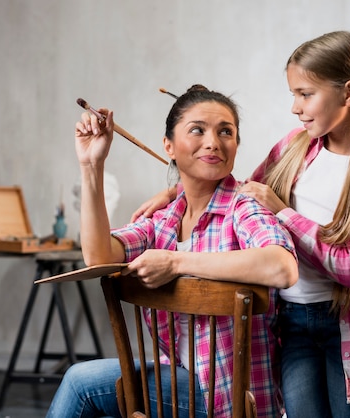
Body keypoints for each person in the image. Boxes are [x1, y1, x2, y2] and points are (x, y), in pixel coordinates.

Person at [132, 31, 350, 418]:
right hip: (293, 322)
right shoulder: (295, 146)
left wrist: (283, 212)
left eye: (305, 93)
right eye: (293, 94)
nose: (295, 107)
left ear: (349, 92)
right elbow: (239, 193)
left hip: (349, 326)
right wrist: (178, 191)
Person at [46, 85, 298, 418]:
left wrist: (176, 262)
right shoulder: (163, 222)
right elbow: (99, 256)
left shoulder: (243, 208)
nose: (213, 142)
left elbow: (282, 267)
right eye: (198, 130)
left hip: (227, 397)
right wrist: (92, 166)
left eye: (226, 131)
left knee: (81, 382)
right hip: (182, 383)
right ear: (169, 146)